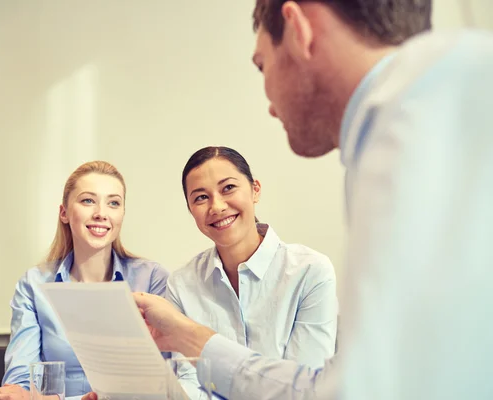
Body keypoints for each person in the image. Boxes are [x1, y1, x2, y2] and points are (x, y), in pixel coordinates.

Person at [84, 0, 493, 399]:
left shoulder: (413, 129)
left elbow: (350, 389)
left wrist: (189, 336)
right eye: (200, 197)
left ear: (298, 29)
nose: (270, 107)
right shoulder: (399, 123)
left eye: (262, 66)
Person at [0, 161, 169, 400]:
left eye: (113, 203)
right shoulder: (34, 283)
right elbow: (20, 384)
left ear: (122, 214)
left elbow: (160, 382)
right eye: (88, 200)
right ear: (64, 213)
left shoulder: (152, 279)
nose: (101, 214)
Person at [169, 146, 338, 397]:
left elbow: (302, 388)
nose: (216, 206)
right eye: (201, 197)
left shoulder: (310, 272)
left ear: (255, 190)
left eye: (228, 188)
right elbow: (189, 381)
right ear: (190, 209)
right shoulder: (181, 284)